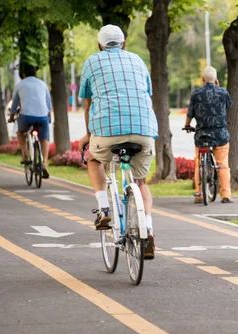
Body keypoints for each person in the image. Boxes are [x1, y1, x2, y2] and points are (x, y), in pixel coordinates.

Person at [78, 24, 158, 259]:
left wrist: (89, 134)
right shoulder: (138, 60)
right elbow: (146, 94)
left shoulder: (92, 61)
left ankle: (104, 208)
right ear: (124, 43)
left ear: (99, 45)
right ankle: (148, 228)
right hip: (143, 130)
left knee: (93, 159)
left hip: (106, 131)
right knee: (141, 182)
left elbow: (88, 104)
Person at [185, 66, 233, 204]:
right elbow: (228, 105)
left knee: (198, 164)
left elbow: (190, 112)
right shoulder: (223, 92)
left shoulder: (196, 93)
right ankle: (226, 195)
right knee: (223, 164)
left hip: (202, 134)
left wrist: (187, 125)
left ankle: (199, 194)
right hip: (220, 134)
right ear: (216, 80)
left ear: (203, 79)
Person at [8, 63, 52, 179]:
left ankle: (25, 155)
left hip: (26, 116)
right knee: (44, 139)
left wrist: (11, 117)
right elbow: (48, 104)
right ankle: (45, 165)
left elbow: (14, 104)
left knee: (20, 133)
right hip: (43, 117)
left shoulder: (20, 85)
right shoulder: (43, 84)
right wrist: (49, 117)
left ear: (23, 74)